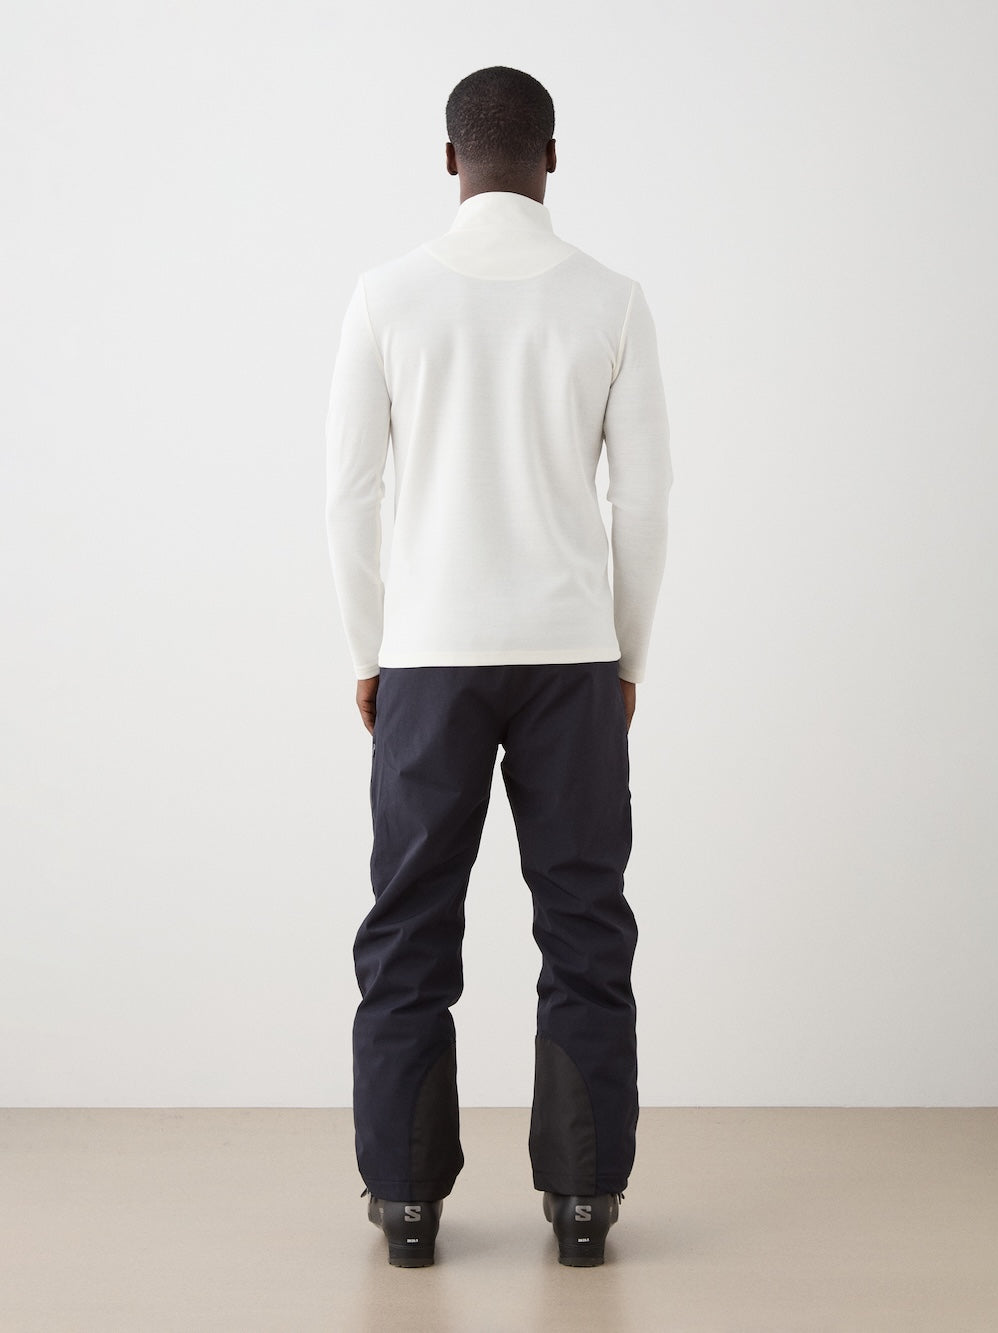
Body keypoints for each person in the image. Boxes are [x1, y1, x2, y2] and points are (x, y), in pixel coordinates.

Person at [324, 65, 673, 1267]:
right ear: (552, 159)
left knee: (409, 923)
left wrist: (370, 652)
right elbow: (647, 499)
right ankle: (583, 1205)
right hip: (572, 655)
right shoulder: (611, 300)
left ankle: (407, 1204)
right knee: (584, 921)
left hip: (428, 655)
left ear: (449, 159)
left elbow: (348, 494)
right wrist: (626, 654)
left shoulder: (386, 297)